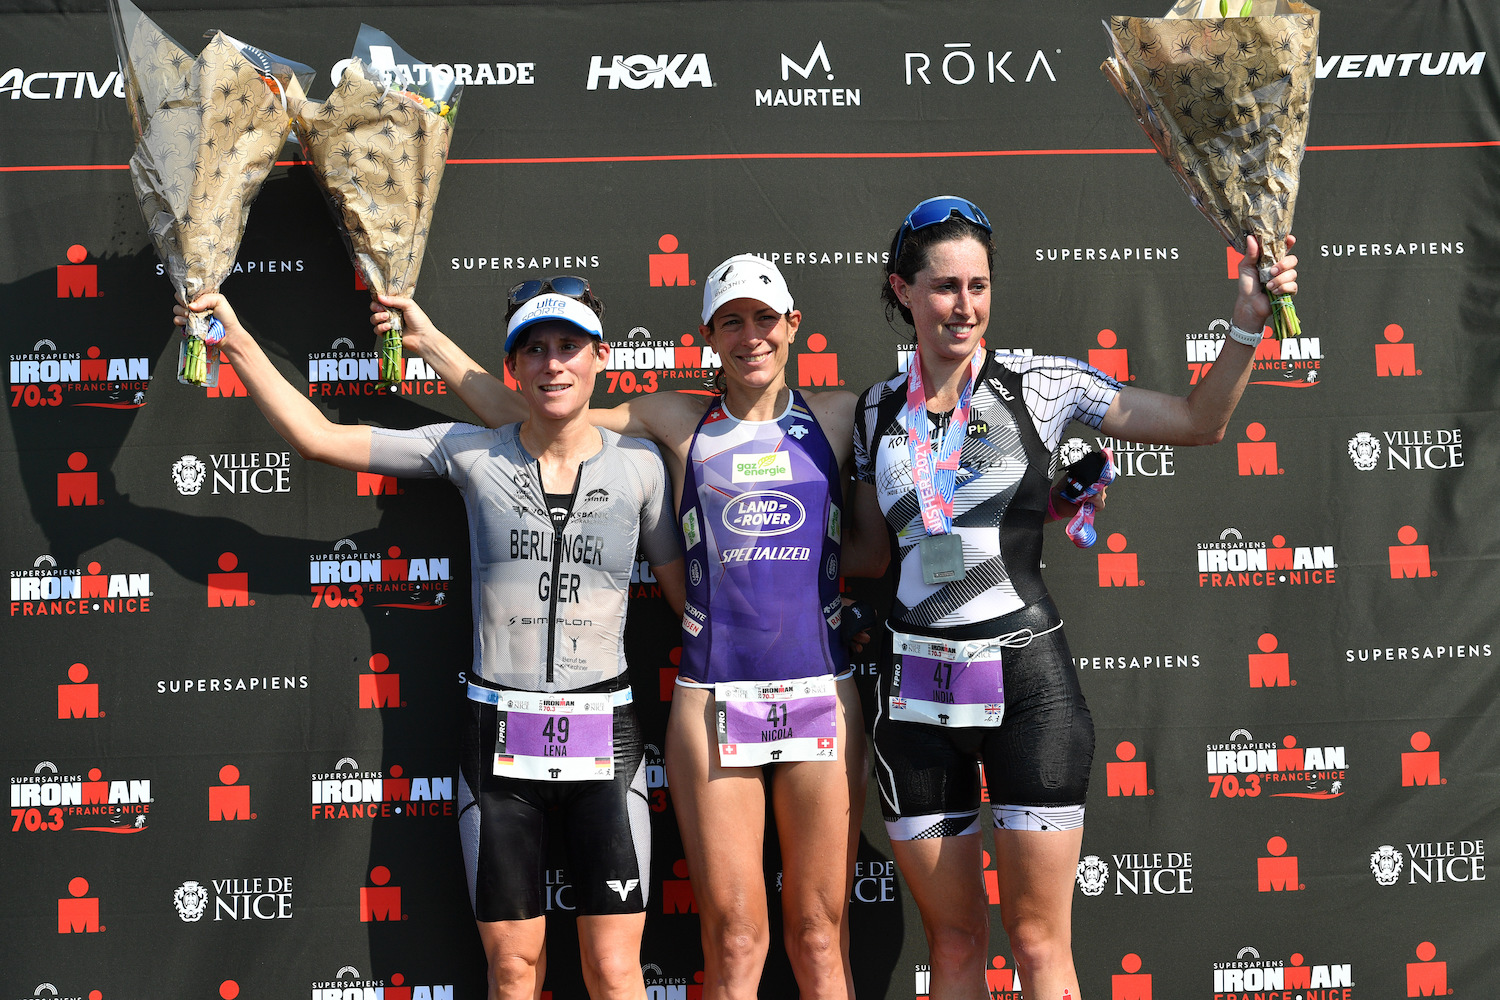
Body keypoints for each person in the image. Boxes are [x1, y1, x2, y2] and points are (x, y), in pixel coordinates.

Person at [372, 257, 877, 1000]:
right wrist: (432, 346)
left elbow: (876, 545)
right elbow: (542, 418)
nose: (751, 337)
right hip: (716, 697)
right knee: (736, 939)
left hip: (820, 690)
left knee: (818, 936)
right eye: (731, 322)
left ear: (794, 324)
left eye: (765, 318)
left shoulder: (842, 415)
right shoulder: (674, 418)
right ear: (708, 336)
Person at [174, 282, 685, 1000]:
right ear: (513, 370)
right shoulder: (469, 451)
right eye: (534, 350)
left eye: (569, 346)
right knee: (512, 972)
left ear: (601, 357)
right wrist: (231, 336)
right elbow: (318, 438)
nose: (553, 364)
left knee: (614, 971)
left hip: (608, 741)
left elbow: (687, 604)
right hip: (499, 741)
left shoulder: (641, 467)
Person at [850, 196, 1298, 1000]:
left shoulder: (1044, 384)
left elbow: (1198, 421)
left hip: (1029, 688)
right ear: (903, 291)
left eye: (979, 286)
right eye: (945, 286)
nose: (965, 305)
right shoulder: (875, 411)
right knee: (953, 943)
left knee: (1035, 941)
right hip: (913, 698)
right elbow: (865, 547)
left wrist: (1247, 321)